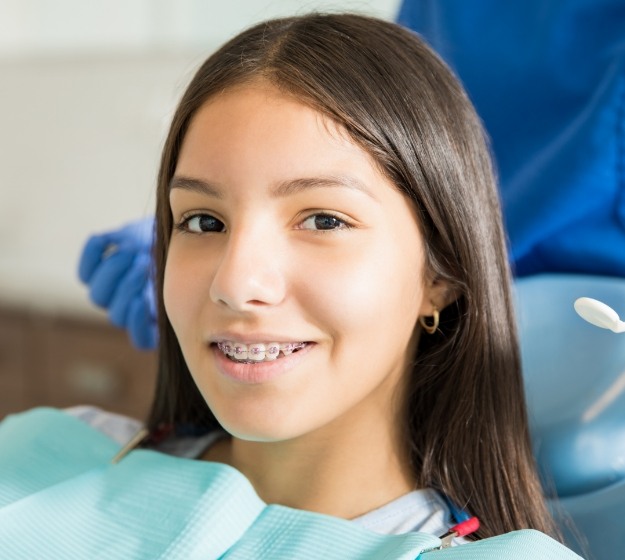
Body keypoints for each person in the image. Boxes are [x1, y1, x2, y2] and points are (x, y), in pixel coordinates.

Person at [5, 12, 586, 557]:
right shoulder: (45, 456)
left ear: (441, 276)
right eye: (203, 221)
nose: (235, 283)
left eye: (324, 221)